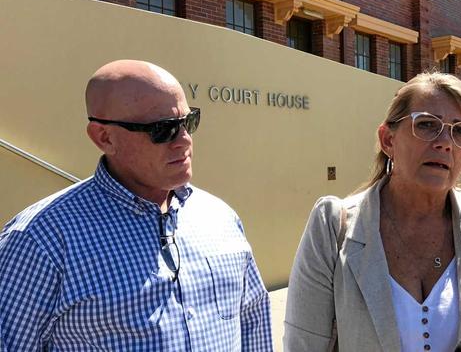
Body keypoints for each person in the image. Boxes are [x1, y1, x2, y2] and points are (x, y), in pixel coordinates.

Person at [0, 60, 273, 351]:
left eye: (188, 122)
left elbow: (252, 319)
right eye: (162, 129)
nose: (184, 140)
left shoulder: (220, 218)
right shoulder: (41, 240)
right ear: (104, 137)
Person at [283, 72, 461, 352]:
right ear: (388, 140)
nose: (445, 142)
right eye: (427, 124)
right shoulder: (331, 228)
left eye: (460, 130)